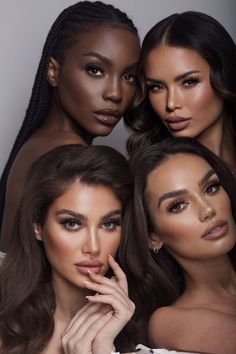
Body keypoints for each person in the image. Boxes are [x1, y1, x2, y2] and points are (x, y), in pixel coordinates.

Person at [0, 0, 140, 251]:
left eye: (129, 76)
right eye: (95, 70)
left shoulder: (40, 142)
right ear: (53, 71)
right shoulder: (69, 155)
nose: (115, 93)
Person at [0, 143, 137, 354]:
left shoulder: (147, 328)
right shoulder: (6, 327)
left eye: (109, 224)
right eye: (72, 224)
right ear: (38, 226)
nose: (93, 247)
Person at [120, 137, 236, 353]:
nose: (208, 210)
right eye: (178, 205)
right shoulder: (167, 322)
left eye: (211, 188)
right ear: (153, 237)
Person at [124, 11, 236, 170]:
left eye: (189, 82)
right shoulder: (139, 172)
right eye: (156, 87)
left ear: (224, 76)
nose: (171, 104)